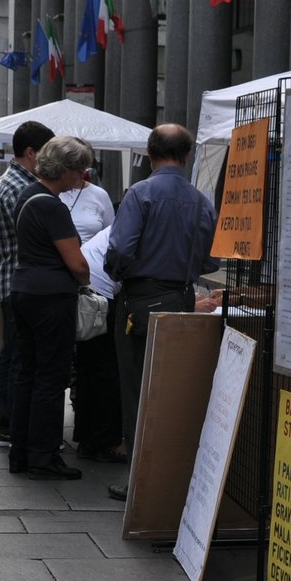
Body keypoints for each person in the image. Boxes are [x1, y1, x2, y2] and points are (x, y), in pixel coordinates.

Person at [105, 123, 218, 500]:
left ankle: (140, 480)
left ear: (150, 155)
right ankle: (174, 473)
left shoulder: (140, 193)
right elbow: (210, 259)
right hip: (182, 299)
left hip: (140, 300)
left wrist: (122, 274)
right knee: (173, 388)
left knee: (137, 388)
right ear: (185, 156)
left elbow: (120, 249)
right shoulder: (202, 201)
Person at [7, 136, 92, 479]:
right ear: (65, 169)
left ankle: (21, 452)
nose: (81, 178)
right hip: (51, 296)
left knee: (27, 373)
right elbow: (76, 263)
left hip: (24, 289)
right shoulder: (52, 206)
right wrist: (86, 279)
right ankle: (44, 455)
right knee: (51, 377)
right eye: (79, 170)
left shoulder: (28, 195)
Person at [0, 120, 52, 448]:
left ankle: (8, 421)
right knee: (17, 356)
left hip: (11, 280)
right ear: (30, 152)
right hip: (17, 281)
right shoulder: (19, 188)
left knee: (13, 354)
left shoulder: (13, 182)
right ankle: (8, 423)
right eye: (46, 153)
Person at [59, 144, 123, 464]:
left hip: (90, 287)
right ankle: (98, 438)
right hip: (91, 293)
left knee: (90, 366)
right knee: (100, 368)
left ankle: (87, 435)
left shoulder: (101, 200)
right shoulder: (49, 200)